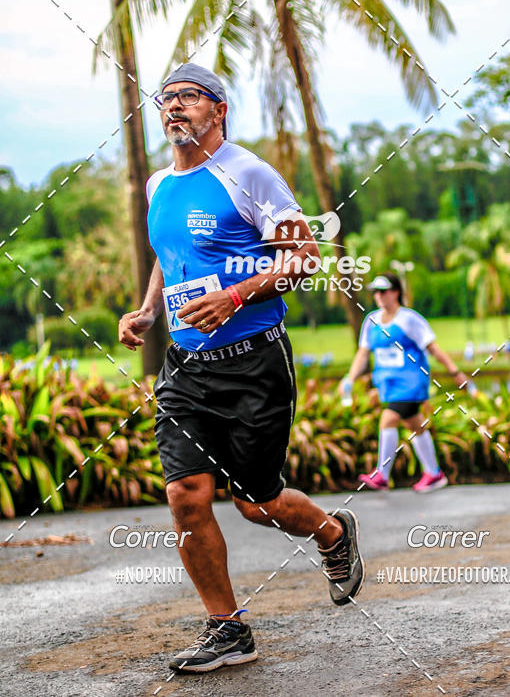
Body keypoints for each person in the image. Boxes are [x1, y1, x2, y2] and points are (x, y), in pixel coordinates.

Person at [118, 63, 364, 674]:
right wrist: (150, 310)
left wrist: (234, 296)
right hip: (186, 370)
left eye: (188, 98)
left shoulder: (249, 175)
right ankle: (227, 629)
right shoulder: (159, 186)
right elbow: (169, 255)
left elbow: (304, 260)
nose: (174, 108)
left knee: (257, 502)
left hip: (254, 362)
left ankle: (332, 533)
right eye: (166, 99)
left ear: (218, 109)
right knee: (185, 495)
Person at [339, 273, 471, 493]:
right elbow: (363, 354)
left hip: (411, 381)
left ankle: (382, 475)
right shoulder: (371, 321)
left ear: (396, 292)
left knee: (388, 419)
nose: (378, 296)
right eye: (375, 291)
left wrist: (455, 372)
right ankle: (434, 473)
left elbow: (433, 348)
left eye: (383, 291)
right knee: (414, 424)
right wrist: (349, 379)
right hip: (388, 384)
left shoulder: (409, 319)